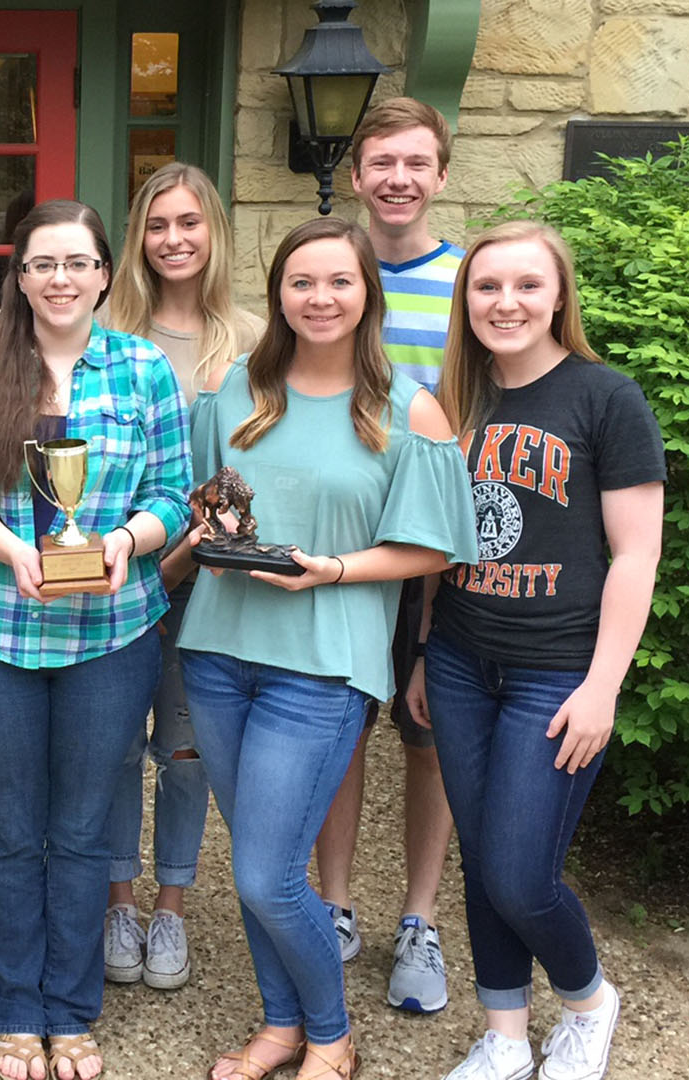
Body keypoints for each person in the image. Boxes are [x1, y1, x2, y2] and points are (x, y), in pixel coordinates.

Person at [178, 217, 478, 1080]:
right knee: (251, 870)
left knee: (271, 875)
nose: (320, 298)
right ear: (277, 295)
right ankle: (281, 1027)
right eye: (301, 282)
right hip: (220, 652)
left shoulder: (409, 409)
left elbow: (436, 547)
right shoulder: (233, 390)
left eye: (339, 282)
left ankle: (332, 1034)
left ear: (367, 294)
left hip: (325, 665)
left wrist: (332, 570)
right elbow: (206, 515)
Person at [0, 199, 190, 1080]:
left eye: (77, 263)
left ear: (105, 274)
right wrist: (11, 551)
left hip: (112, 632)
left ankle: (71, 1006)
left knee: (81, 831)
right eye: (43, 264)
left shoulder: (143, 367)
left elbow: (173, 495)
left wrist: (120, 542)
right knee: (9, 828)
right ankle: (13, 1005)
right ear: (21, 275)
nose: (60, 279)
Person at [425, 221, 663, 1080]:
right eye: (487, 287)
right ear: (467, 300)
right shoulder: (455, 398)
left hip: (556, 673)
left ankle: (590, 1002)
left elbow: (636, 555)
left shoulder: (606, 398)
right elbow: (434, 542)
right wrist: (422, 652)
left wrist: (603, 686)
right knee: (484, 859)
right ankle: (505, 1038)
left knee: (523, 874)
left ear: (559, 295)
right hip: (457, 661)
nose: (506, 302)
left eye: (527, 285)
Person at [312, 96, 468, 1016]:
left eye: (416, 163)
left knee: (430, 735)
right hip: (344, 535)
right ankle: (332, 906)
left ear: (440, 176)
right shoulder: (327, 273)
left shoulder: (466, 283)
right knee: (337, 725)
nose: (398, 179)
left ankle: (419, 919)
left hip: (439, 538)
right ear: (358, 176)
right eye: (381, 163)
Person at [99, 161, 267, 992]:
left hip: (220, 584)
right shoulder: (102, 330)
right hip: (125, 578)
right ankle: (118, 902)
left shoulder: (257, 337)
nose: (174, 240)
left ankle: (171, 907)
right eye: (158, 225)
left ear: (214, 234)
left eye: (189, 224)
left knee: (187, 749)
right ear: (138, 239)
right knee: (118, 746)